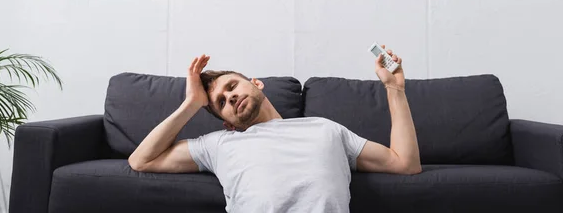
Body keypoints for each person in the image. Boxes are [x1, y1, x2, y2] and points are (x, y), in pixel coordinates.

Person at [129, 45, 422, 212]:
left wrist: (394, 89)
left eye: (232, 86)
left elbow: (405, 163)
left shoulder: (324, 129)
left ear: (256, 83)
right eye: (221, 102)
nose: (230, 96)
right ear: (227, 122)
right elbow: (141, 160)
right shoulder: (219, 143)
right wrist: (192, 104)